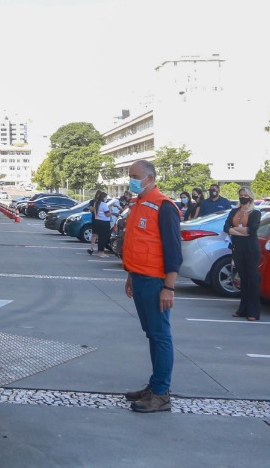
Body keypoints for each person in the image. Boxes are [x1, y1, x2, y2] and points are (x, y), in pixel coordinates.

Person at [121, 159, 182, 413]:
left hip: (157, 283)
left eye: (135, 176)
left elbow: (173, 250)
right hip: (140, 278)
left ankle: (160, 393)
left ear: (150, 177)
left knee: (160, 335)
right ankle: (156, 385)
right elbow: (137, 245)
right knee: (152, 335)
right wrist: (130, 275)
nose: (131, 180)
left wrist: (169, 287)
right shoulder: (138, 205)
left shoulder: (163, 206)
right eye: (130, 176)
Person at [225, 186, 262, 321]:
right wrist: (238, 230)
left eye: (245, 195)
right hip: (238, 248)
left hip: (251, 249)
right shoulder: (234, 211)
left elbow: (251, 230)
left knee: (252, 280)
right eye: (241, 194)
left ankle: (253, 312)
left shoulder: (255, 213)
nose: (243, 197)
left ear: (250, 197)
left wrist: (234, 230)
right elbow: (226, 228)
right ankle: (242, 310)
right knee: (243, 279)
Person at [89, 188, 114, 256]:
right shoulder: (103, 204)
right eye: (106, 197)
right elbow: (107, 214)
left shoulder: (96, 203)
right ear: (103, 197)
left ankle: (100, 252)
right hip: (104, 223)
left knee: (100, 237)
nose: (106, 198)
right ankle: (101, 252)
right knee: (103, 238)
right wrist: (111, 211)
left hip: (97, 221)